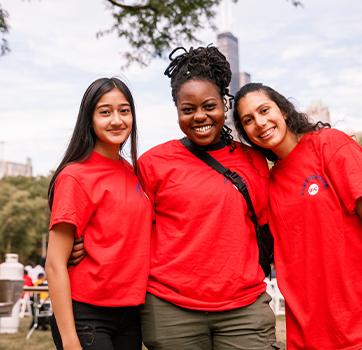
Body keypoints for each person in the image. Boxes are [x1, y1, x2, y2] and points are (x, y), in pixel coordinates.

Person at [232, 83, 362, 350]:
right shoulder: (269, 183)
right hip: (307, 339)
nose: (259, 122)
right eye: (248, 120)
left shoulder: (329, 144)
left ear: (284, 111)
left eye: (264, 110)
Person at [136, 46, 278, 350]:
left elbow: (271, 226)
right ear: (177, 111)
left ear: (224, 105)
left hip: (244, 309)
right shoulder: (153, 163)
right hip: (170, 309)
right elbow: (129, 228)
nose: (200, 116)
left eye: (209, 106)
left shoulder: (254, 162)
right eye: (188, 110)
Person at [45, 77, 152, 350]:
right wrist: (70, 342)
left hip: (130, 313)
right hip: (87, 314)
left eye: (124, 111)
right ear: (89, 119)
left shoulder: (134, 173)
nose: (116, 120)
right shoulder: (75, 176)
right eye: (105, 112)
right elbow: (55, 263)